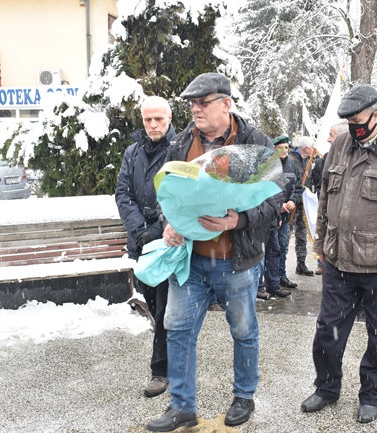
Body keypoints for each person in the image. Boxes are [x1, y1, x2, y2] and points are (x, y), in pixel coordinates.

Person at [146, 73, 280, 431]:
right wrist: (168, 223)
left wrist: (239, 220)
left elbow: (276, 198)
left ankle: (244, 396)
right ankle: (182, 407)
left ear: (226, 104)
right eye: (192, 103)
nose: (195, 109)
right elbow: (165, 194)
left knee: (243, 331)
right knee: (178, 330)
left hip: (237, 261)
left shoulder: (255, 142)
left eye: (203, 102)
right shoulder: (180, 144)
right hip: (190, 261)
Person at [301, 84, 377, 423]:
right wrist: (321, 245)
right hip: (338, 261)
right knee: (328, 331)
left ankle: (371, 395)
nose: (353, 128)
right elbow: (326, 199)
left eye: (357, 121)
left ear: (376, 116)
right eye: (348, 122)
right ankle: (326, 387)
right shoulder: (340, 145)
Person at [115, 96, 175, 398]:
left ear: (169, 118)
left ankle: (161, 370)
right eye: (148, 119)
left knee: (165, 308)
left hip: (167, 241)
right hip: (140, 244)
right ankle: (170, 356)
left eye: (159, 119)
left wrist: (155, 230)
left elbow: (178, 195)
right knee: (151, 301)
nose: (153, 125)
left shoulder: (179, 149)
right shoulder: (133, 151)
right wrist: (140, 231)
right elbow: (123, 193)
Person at [258, 135, 303, 298]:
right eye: (280, 147)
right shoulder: (267, 166)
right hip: (268, 215)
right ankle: (260, 285)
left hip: (284, 216)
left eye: (286, 147)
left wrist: (292, 201)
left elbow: (298, 187)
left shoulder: (293, 165)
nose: (284, 150)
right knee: (263, 251)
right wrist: (278, 205)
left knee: (279, 249)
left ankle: (276, 281)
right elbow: (264, 190)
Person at [313, 121, 348, 275]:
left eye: (331, 135)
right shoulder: (328, 158)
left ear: (344, 137)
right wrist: (319, 245)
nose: (328, 139)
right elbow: (324, 194)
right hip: (332, 237)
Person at [288, 136, 319, 276]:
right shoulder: (291, 160)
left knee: (302, 235)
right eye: (312, 146)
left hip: (303, 204)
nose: (314, 149)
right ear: (306, 148)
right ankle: (280, 272)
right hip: (291, 203)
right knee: (286, 236)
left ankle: (301, 264)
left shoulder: (309, 160)